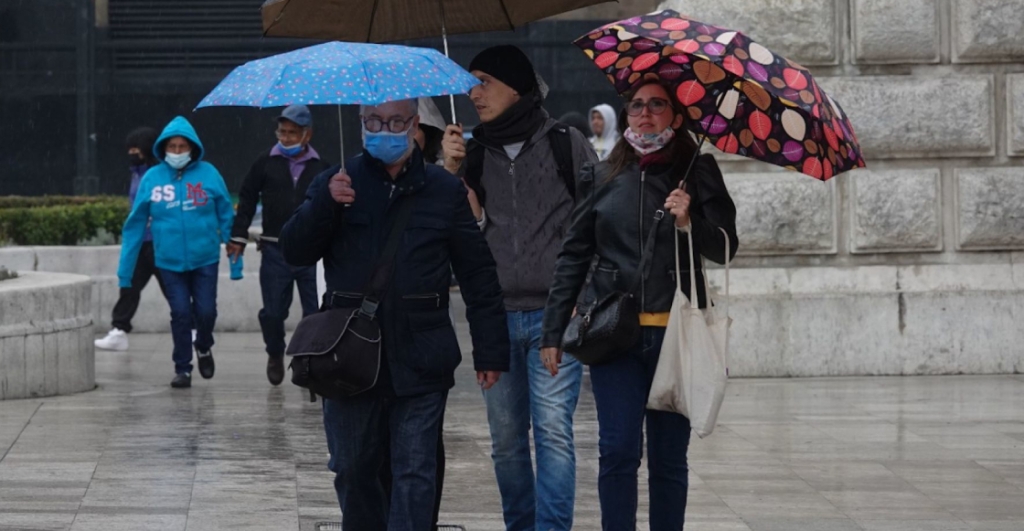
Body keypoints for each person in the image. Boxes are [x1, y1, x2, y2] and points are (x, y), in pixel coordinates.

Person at [280, 97, 510, 531]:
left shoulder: (443, 190)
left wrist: (491, 351)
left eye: (395, 122)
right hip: (347, 357)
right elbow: (294, 250)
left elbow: (478, 273)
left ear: (414, 128)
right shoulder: (336, 181)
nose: (384, 130)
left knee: (415, 470)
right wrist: (325, 205)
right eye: (374, 121)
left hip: (422, 354)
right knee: (351, 467)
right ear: (361, 123)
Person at [540, 80, 739, 530]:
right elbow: (573, 254)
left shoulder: (698, 170)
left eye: (657, 105)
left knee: (669, 460)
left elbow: (726, 248)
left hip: (677, 336)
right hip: (615, 335)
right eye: (636, 106)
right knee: (617, 451)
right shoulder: (603, 174)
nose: (645, 114)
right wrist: (552, 330)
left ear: (677, 114)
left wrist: (690, 220)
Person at [440, 45, 597, 531]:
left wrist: (580, 299)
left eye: (484, 80)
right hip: (494, 317)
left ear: (515, 86)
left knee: (552, 433)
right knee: (506, 440)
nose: (474, 92)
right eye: (471, 81)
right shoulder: (471, 153)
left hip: (557, 317)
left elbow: (595, 227)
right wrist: (447, 173)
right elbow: (447, 234)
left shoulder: (566, 144)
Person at [117, 116, 235, 389]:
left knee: (206, 312)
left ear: (193, 148)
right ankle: (182, 368)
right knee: (180, 313)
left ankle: (203, 345)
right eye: (173, 146)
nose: (178, 152)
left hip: (205, 258)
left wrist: (235, 259)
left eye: (183, 146)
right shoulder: (152, 178)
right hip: (168, 261)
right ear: (163, 148)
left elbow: (226, 215)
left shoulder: (209, 174)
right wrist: (125, 273)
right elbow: (134, 226)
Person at [226, 105, 330, 386]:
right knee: (273, 313)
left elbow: (331, 208)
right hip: (275, 250)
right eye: (281, 132)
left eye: (291, 133)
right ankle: (274, 352)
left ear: (307, 135)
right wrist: (237, 236)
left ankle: (307, 361)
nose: (284, 138)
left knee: (315, 314)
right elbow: (246, 200)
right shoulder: (264, 162)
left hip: (311, 253)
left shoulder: (322, 167)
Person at [95, 127, 165, 351]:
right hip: (139, 243)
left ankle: (193, 329)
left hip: (159, 242)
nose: (132, 152)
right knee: (129, 287)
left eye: (137, 147)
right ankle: (119, 330)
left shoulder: (159, 175)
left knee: (172, 288)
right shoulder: (136, 173)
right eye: (130, 148)